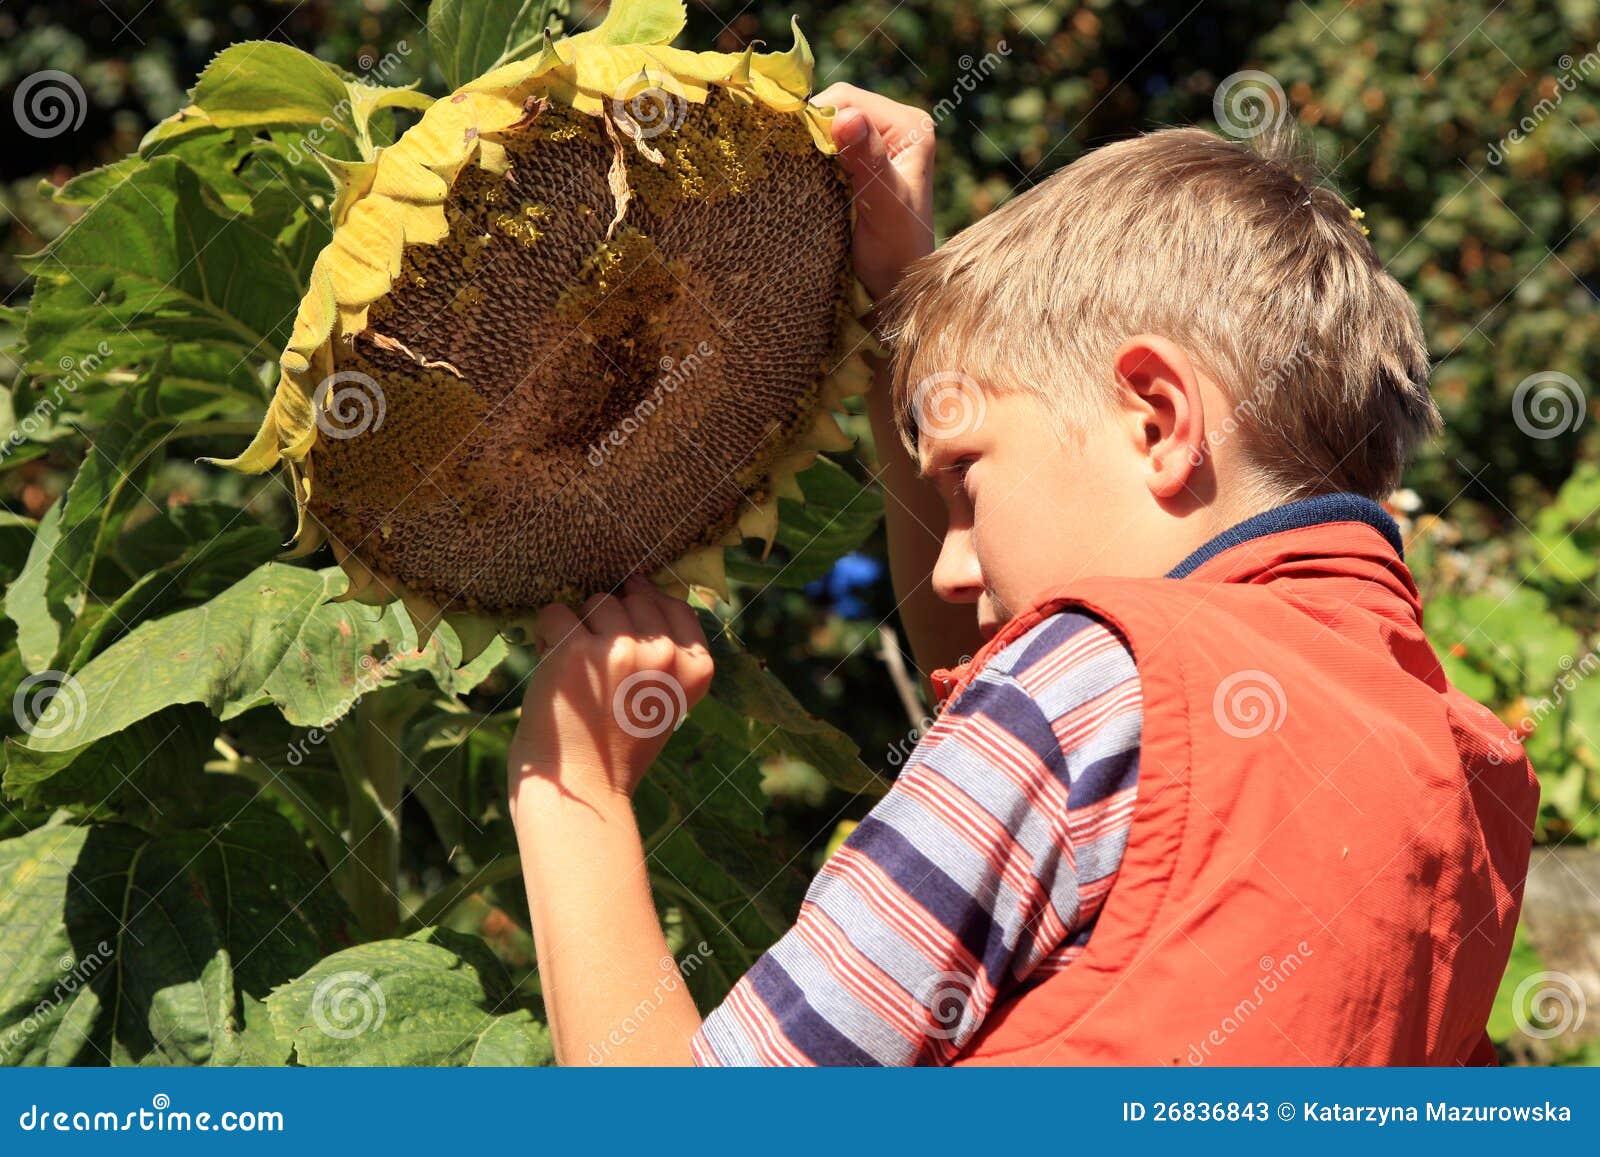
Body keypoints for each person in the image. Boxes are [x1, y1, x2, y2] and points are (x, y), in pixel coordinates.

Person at [505, 83, 1541, 1066]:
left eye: (965, 481)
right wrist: (905, 313)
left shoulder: (1084, 678)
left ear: (1157, 421)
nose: (951, 567)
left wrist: (572, 788)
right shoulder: (1457, 758)